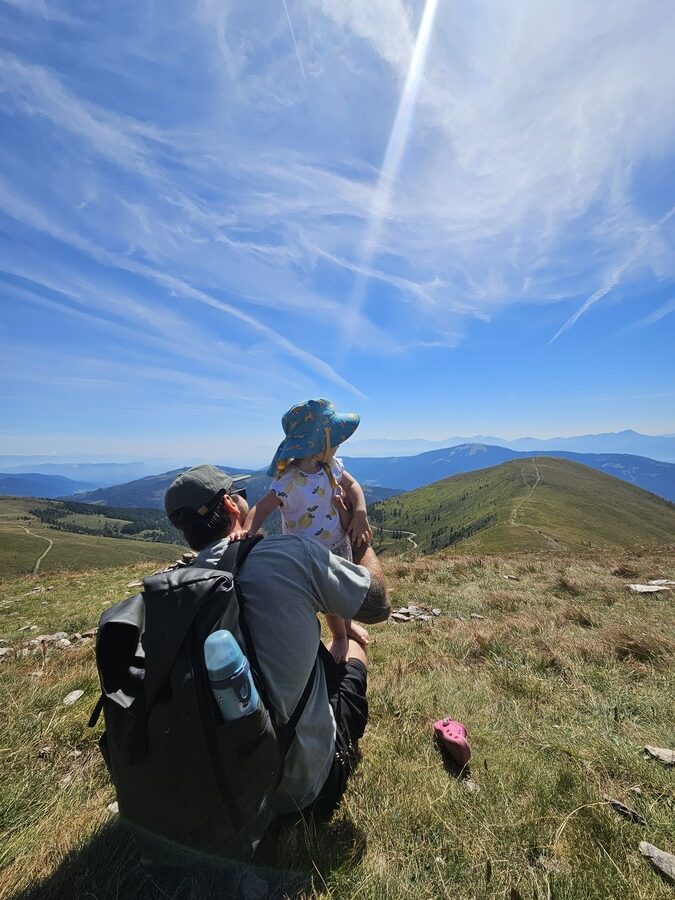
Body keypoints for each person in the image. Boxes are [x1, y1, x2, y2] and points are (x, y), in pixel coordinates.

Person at [164, 464, 390, 821]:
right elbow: (378, 606)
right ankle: (331, 749)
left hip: (229, 789)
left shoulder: (177, 589)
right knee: (356, 644)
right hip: (305, 791)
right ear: (230, 507)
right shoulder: (291, 554)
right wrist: (357, 536)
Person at [243, 399, 373, 663]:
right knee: (329, 600)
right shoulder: (288, 480)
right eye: (334, 441)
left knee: (342, 591)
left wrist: (360, 514)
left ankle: (346, 628)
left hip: (337, 544)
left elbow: (354, 487)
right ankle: (338, 637)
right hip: (307, 555)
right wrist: (246, 533)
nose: (337, 446)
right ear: (317, 446)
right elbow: (262, 508)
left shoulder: (331, 465)